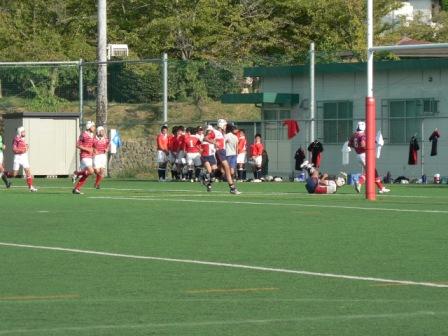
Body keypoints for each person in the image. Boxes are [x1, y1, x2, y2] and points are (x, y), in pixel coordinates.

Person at [348, 121, 390, 194]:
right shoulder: (363, 135)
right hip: (364, 155)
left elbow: (350, 145)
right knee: (370, 172)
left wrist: (357, 147)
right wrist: (370, 146)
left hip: (358, 155)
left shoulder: (354, 135)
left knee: (374, 171)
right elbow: (363, 144)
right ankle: (359, 182)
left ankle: (381, 188)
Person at [207, 119, 241, 194]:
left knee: (220, 171)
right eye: (225, 125)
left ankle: (208, 180)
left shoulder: (222, 133)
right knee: (227, 169)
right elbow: (206, 138)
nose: (226, 127)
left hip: (222, 152)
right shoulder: (215, 132)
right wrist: (214, 142)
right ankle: (232, 188)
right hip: (219, 152)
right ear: (221, 125)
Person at [73, 121, 96, 194]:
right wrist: (88, 149)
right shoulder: (83, 135)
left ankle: (77, 189)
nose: (94, 128)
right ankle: (77, 174)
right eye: (93, 126)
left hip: (90, 156)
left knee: (87, 174)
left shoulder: (92, 135)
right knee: (91, 171)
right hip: (84, 156)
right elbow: (77, 145)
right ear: (89, 127)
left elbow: (91, 146)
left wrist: (94, 150)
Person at [12, 127, 37, 192]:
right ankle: (3, 173)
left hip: (24, 157)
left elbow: (24, 147)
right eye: (23, 132)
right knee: (14, 174)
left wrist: (26, 147)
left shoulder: (23, 139)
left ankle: (30, 187)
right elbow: (14, 149)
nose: (24, 133)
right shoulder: (16, 139)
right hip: (18, 157)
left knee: (28, 172)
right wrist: (22, 150)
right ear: (20, 132)